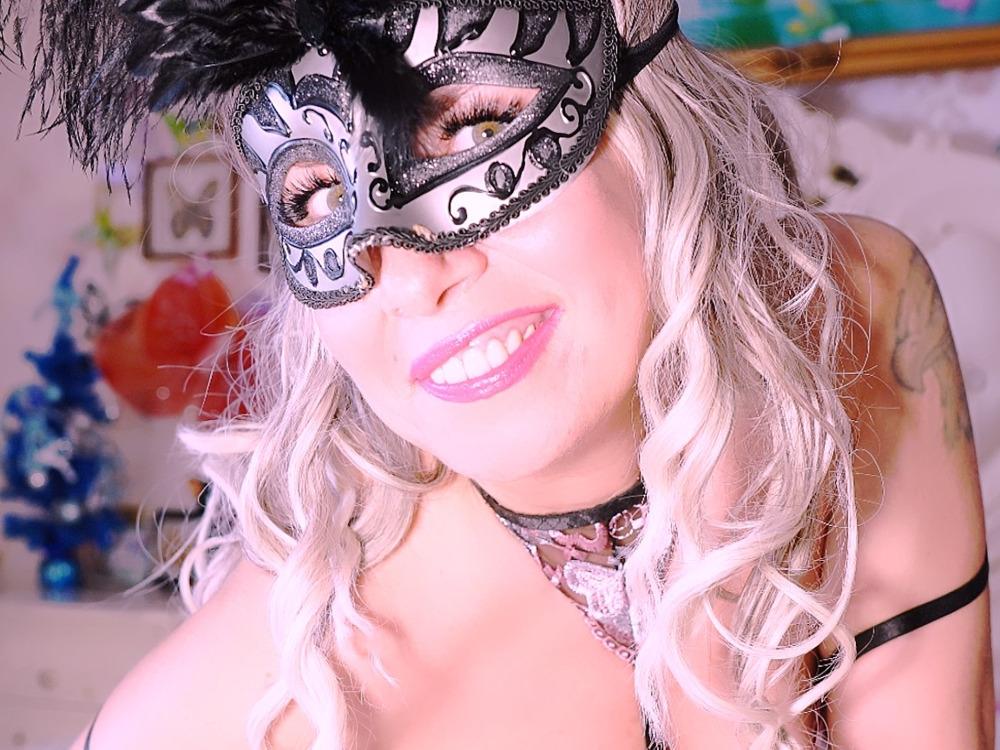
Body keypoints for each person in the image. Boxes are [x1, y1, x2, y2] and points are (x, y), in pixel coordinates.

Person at [1, 0, 992, 747]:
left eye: (475, 129)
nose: (409, 278)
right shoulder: (276, 707)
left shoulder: (854, 307)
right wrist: (729, 677)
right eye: (317, 198)